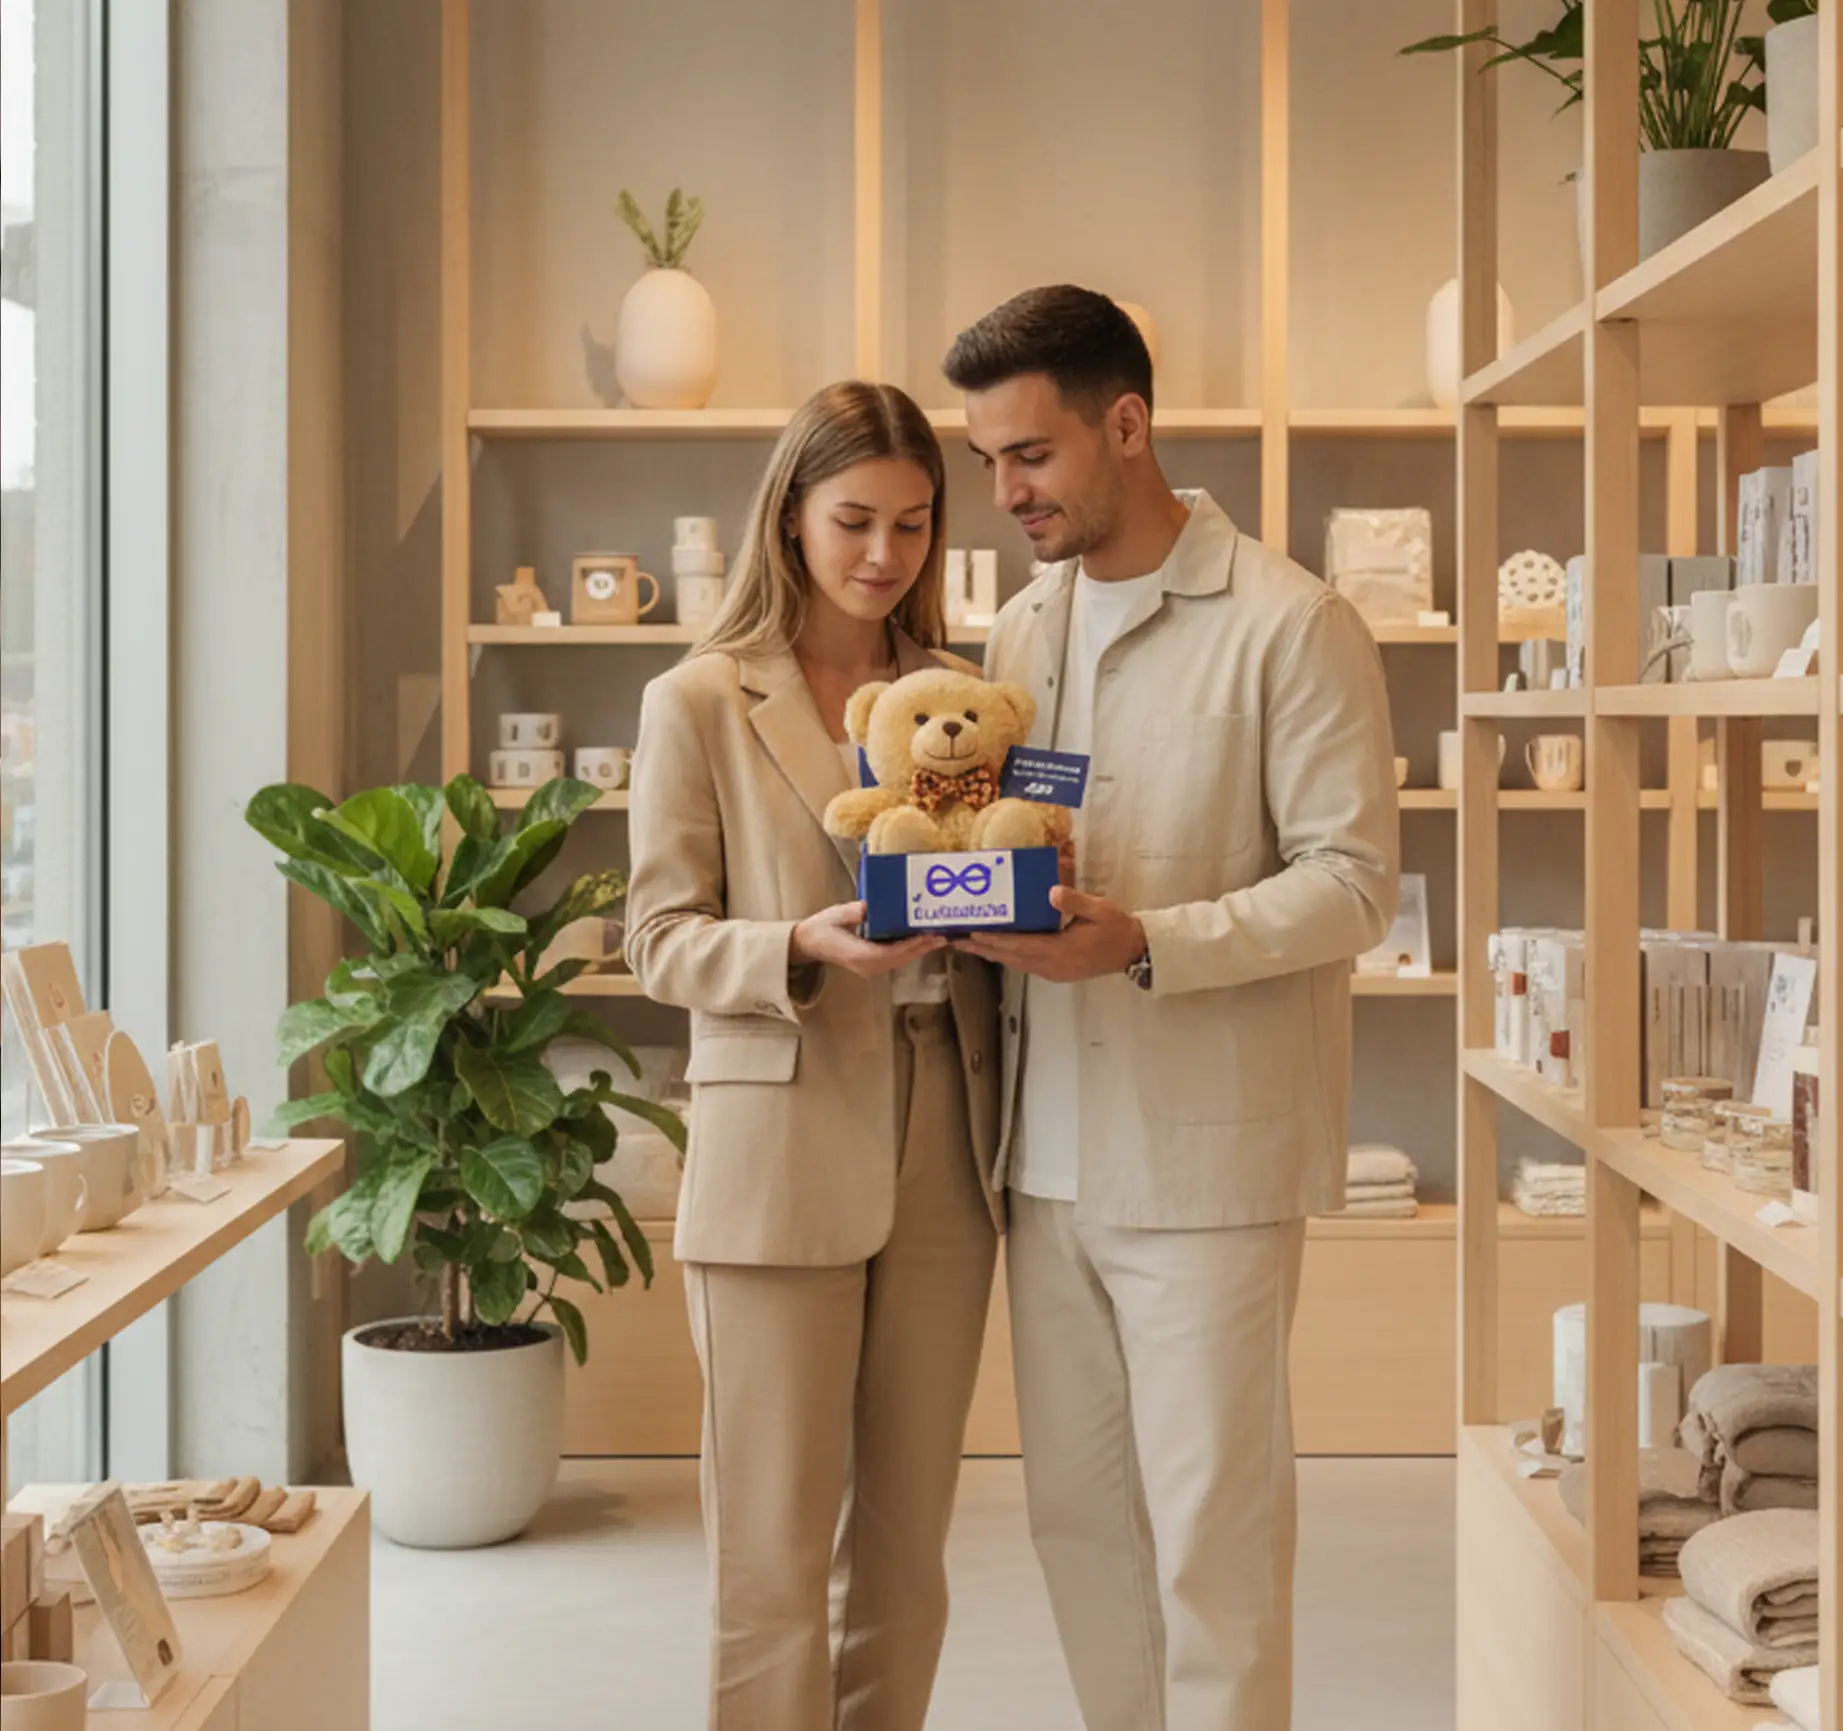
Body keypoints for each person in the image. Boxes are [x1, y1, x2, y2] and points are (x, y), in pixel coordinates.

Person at [941, 285, 1400, 1731]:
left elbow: (1353, 884)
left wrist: (1148, 943)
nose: (1005, 491)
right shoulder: (1016, 633)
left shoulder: (1289, 623)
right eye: (989, 462)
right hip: (1041, 1168)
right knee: (1077, 1531)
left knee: (1212, 1542)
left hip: (1203, 1168)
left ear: (1123, 425)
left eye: (1029, 455)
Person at [622, 380, 1003, 1731]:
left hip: (945, 1148)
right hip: (776, 1146)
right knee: (772, 1558)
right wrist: (799, 943)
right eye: (852, 520)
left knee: (907, 1553)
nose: (882, 554)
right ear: (788, 516)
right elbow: (656, 938)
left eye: (911, 523)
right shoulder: (698, 701)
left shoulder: (957, 702)